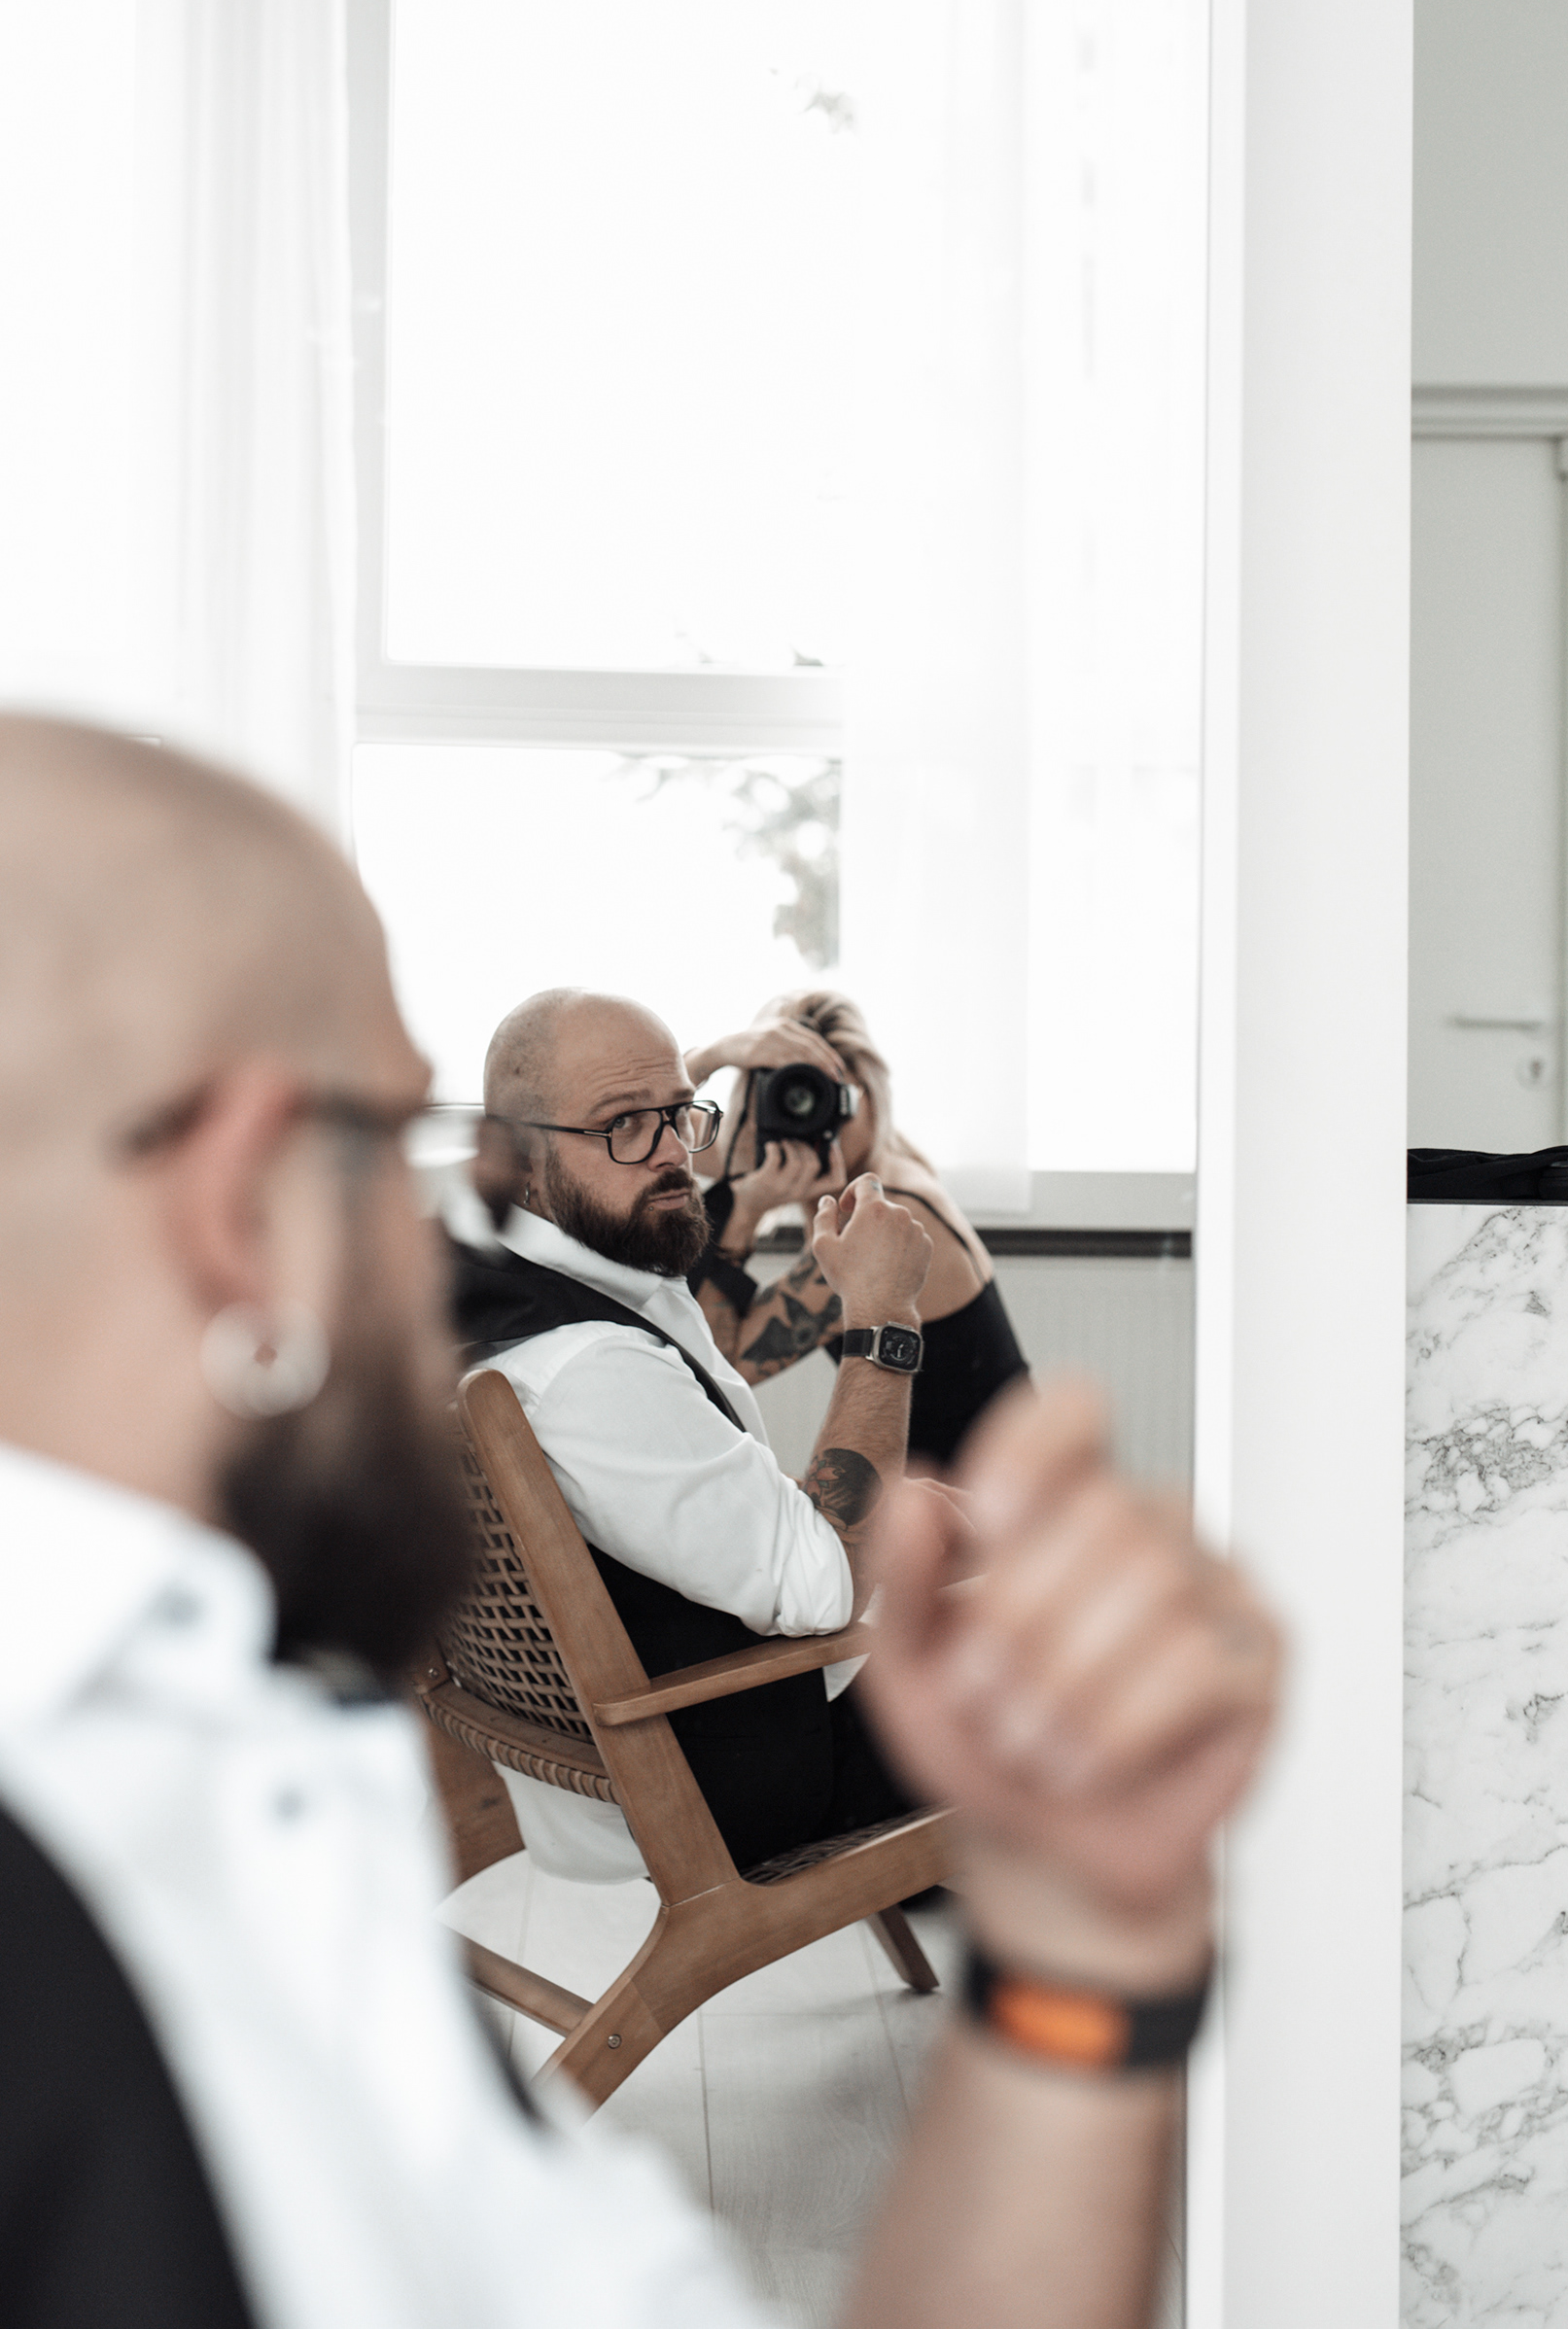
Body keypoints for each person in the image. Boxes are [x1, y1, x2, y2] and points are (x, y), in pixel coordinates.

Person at [0, 713, 1282, 2329]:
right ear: (236, 1194)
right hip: (738, 1753)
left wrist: (1084, 1961)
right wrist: (883, 1331)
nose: (429, 1227)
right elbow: (811, 1576)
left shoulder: (241, 1782)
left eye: (681, 1112)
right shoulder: (144, 1873)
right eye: (391, 1135)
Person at [455, 987, 935, 1880]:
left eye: (681, 1112)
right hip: (729, 1786)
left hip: (608, 1768)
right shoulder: (591, 1365)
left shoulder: (495, 1284)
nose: (674, 1150)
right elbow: (824, 1587)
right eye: (624, 1125)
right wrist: (883, 1313)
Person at [686, 991, 1029, 1467]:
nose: (814, 1120)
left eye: (833, 1097)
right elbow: (656, 1132)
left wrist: (746, 1210)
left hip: (985, 1492)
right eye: (791, 1095)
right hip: (956, 1479)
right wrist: (715, 1055)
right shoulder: (878, 1155)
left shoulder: (886, 1212)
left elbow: (716, 1366)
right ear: (761, 1103)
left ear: (870, 1095)